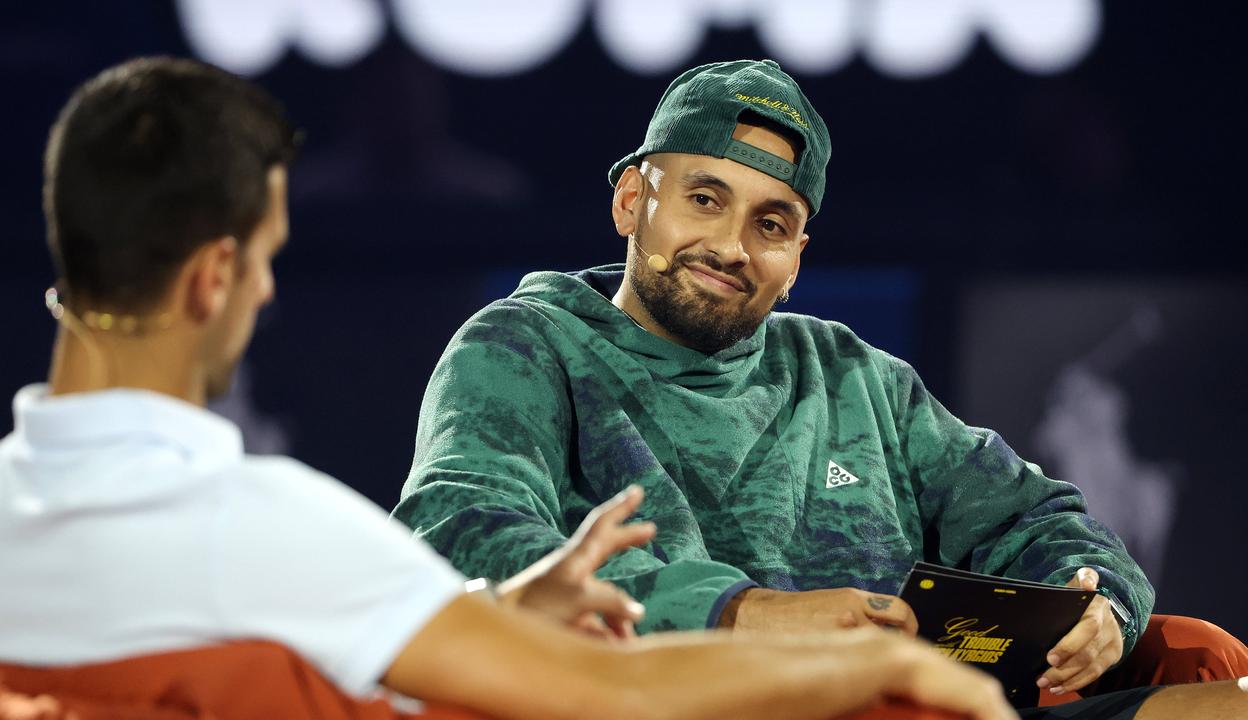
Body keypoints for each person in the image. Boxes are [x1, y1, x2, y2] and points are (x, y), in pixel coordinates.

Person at [0, 55, 1028, 720]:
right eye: (268, 256)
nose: (268, 286)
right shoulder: (272, 531)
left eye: (769, 219)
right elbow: (607, 694)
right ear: (213, 277)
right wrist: (880, 669)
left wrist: (510, 604)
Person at [394, 58, 1248, 703]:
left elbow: (1033, 515)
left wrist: (1095, 600)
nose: (732, 247)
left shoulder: (852, 375)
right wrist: (741, 611)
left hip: (918, 703)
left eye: (771, 223)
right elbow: (461, 534)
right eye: (704, 199)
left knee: (1203, 656)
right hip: (694, 700)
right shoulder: (526, 344)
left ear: (798, 256)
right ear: (632, 202)